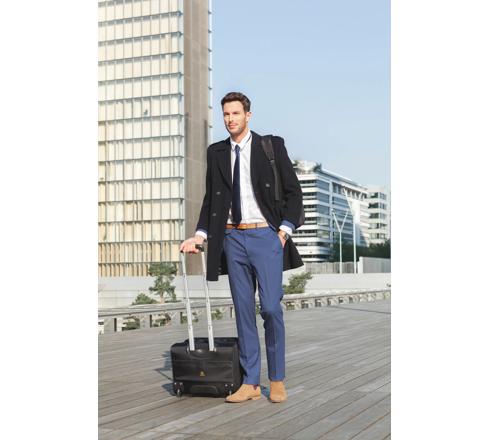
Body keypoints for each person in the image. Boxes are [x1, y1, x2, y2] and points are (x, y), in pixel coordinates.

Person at [180, 92, 304, 403]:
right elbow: (212, 199)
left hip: (266, 237)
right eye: (226, 114)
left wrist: (283, 232)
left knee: (271, 308)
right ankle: (250, 382)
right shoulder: (217, 152)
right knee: (244, 311)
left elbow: (294, 193)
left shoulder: (270, 146)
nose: (230, 119)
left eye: (236, 113)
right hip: (232, 239)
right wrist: (200, 235)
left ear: (248, 115)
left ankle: (276, 379)